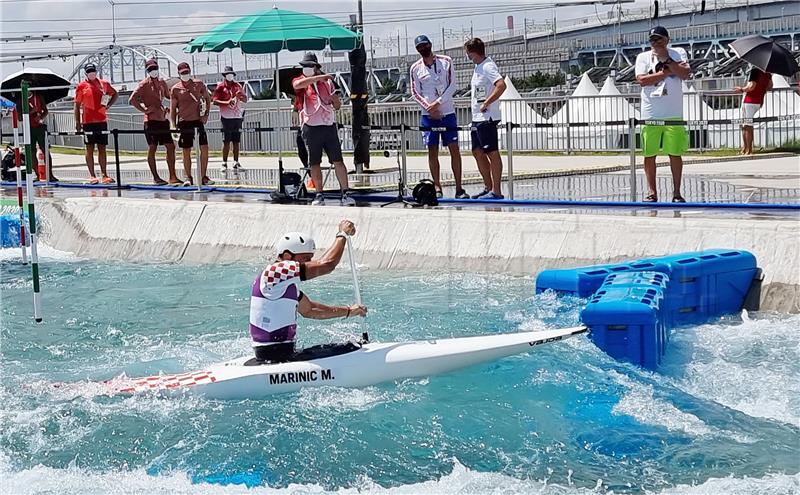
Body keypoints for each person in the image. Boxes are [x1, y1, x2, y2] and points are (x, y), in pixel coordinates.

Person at [249, 219, 368, 362]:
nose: (309, 263)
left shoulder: (283, 285)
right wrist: (342, 234)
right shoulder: (275, 272)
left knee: (349, 346)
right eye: (305, 259)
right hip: (274, 355)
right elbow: (327, 265)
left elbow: (309, 309)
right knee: (352, 349)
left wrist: (349, 311)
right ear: (287, 256)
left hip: (281, 353)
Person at [634, 26, 691, 203]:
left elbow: (685, 74)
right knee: (649, 153)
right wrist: (664, 73)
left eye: (659, 39)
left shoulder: (678, 52)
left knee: (675, 153)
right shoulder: (643, 57)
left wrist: (669, 61)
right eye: (652, 40)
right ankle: (652, 191)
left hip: (673, 113)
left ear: (667, 40)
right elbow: (642, 80)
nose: (655, 43)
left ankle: (676, 192)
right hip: (651, 112)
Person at [292, 53, 355, 206]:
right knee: (315, 162)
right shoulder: (301, 80)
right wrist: (317, 78)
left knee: (338, 160)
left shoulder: (327, 83)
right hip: (310, 126)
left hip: (328, 125)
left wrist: (335, 100)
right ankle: (319, 194)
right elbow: (296, 86)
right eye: (304, 66)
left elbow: (337, 105)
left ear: (316, 67)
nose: (306, 69)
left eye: (309, 66)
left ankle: (345, 192)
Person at [409, 35, 467, 199]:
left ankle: (459, 187)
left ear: (430, 45)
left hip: (447, 112)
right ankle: (437, 186)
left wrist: (439, 103)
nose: (423, 49)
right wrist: (429, 107)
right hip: (428, 115)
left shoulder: (446, 61)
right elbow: (415, 92)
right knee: (432, 150)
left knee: (454, 149)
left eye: (425, 45)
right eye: (420, 47)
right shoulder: (415, 68)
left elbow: (452, 85)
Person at [465, 38, 507, 200]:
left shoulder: (488, 66)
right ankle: (488, 186)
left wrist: (487, 102)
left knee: (491, 152)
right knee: (477, 151)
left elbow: (501, 85)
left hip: (486, 117)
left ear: (474, 52)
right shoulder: (478, 68)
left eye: (468, 53)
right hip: (476, 117)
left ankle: (496, 190)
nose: (468, 57)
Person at [129, 58, 178, 185]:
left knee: (170, 146)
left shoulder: (162, 82)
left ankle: (172, 176)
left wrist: (176, 101)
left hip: (162, 118)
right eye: (150, 69)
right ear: (147, 71)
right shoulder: (143, 84)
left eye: (155, 68)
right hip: (151, 121)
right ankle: (156, 177)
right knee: (152, 147)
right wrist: (144, 110)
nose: (153, 71)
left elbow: (168, 96)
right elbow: (132, 99)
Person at [74, 63, 118, 184]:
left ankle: (104, 174)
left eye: (93, 71)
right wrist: (78, 121)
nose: (91, 73)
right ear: (85, 73)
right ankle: (92, 175)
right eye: (89, 71)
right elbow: (76, 105)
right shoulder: (82, 86)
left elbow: (115, 94)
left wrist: (108, 105)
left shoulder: (104, 84)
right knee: (89, 148)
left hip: (102, 120)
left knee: (102, 147)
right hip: (88, 121)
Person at [170, 62, 212, 186]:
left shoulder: (198, 84)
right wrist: (173, 124)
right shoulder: (176, 89)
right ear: (178, 74)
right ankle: (188, 177)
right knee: (186, 150)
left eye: (186, 72)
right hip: (184, 122)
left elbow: (207, 98)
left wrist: (206, 115)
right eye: (182, 73)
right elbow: (173, 109)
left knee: (204, 148)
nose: (185, 74)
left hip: (197, 121)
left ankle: (203, 176)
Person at [212, 66, 248, 175]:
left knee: (236, 141)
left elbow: (245, 99)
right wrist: (226, 102)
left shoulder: (238, 86)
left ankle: (236, 162)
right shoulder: (220, 87)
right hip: (226, 116)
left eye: (231, 74)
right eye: (228, 74)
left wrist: (240, 96)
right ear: (224, 76)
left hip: (237, 116)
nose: (230, 76)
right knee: (226, 141)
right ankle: (224, 162)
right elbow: (215, 101)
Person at [734, 66, 772, 155]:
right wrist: (762, 90)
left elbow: (751, 86)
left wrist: (742, 89)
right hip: (759, 101)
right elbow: (770, 86)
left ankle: (748, 149)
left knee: (747, 125)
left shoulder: (754, 71)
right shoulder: (768, 74)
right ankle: (745, 148)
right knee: (747, 124)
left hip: (749, 101)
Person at [27, 87, 58, 182]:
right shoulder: (22, 100)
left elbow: (45, 110)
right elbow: (20, 117)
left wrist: (40, 116)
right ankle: (37, 174)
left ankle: (50, 174)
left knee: (45, 150)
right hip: (29, 128)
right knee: (31, 152)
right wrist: (31, 112)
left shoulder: (39, 97)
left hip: (40, 127)